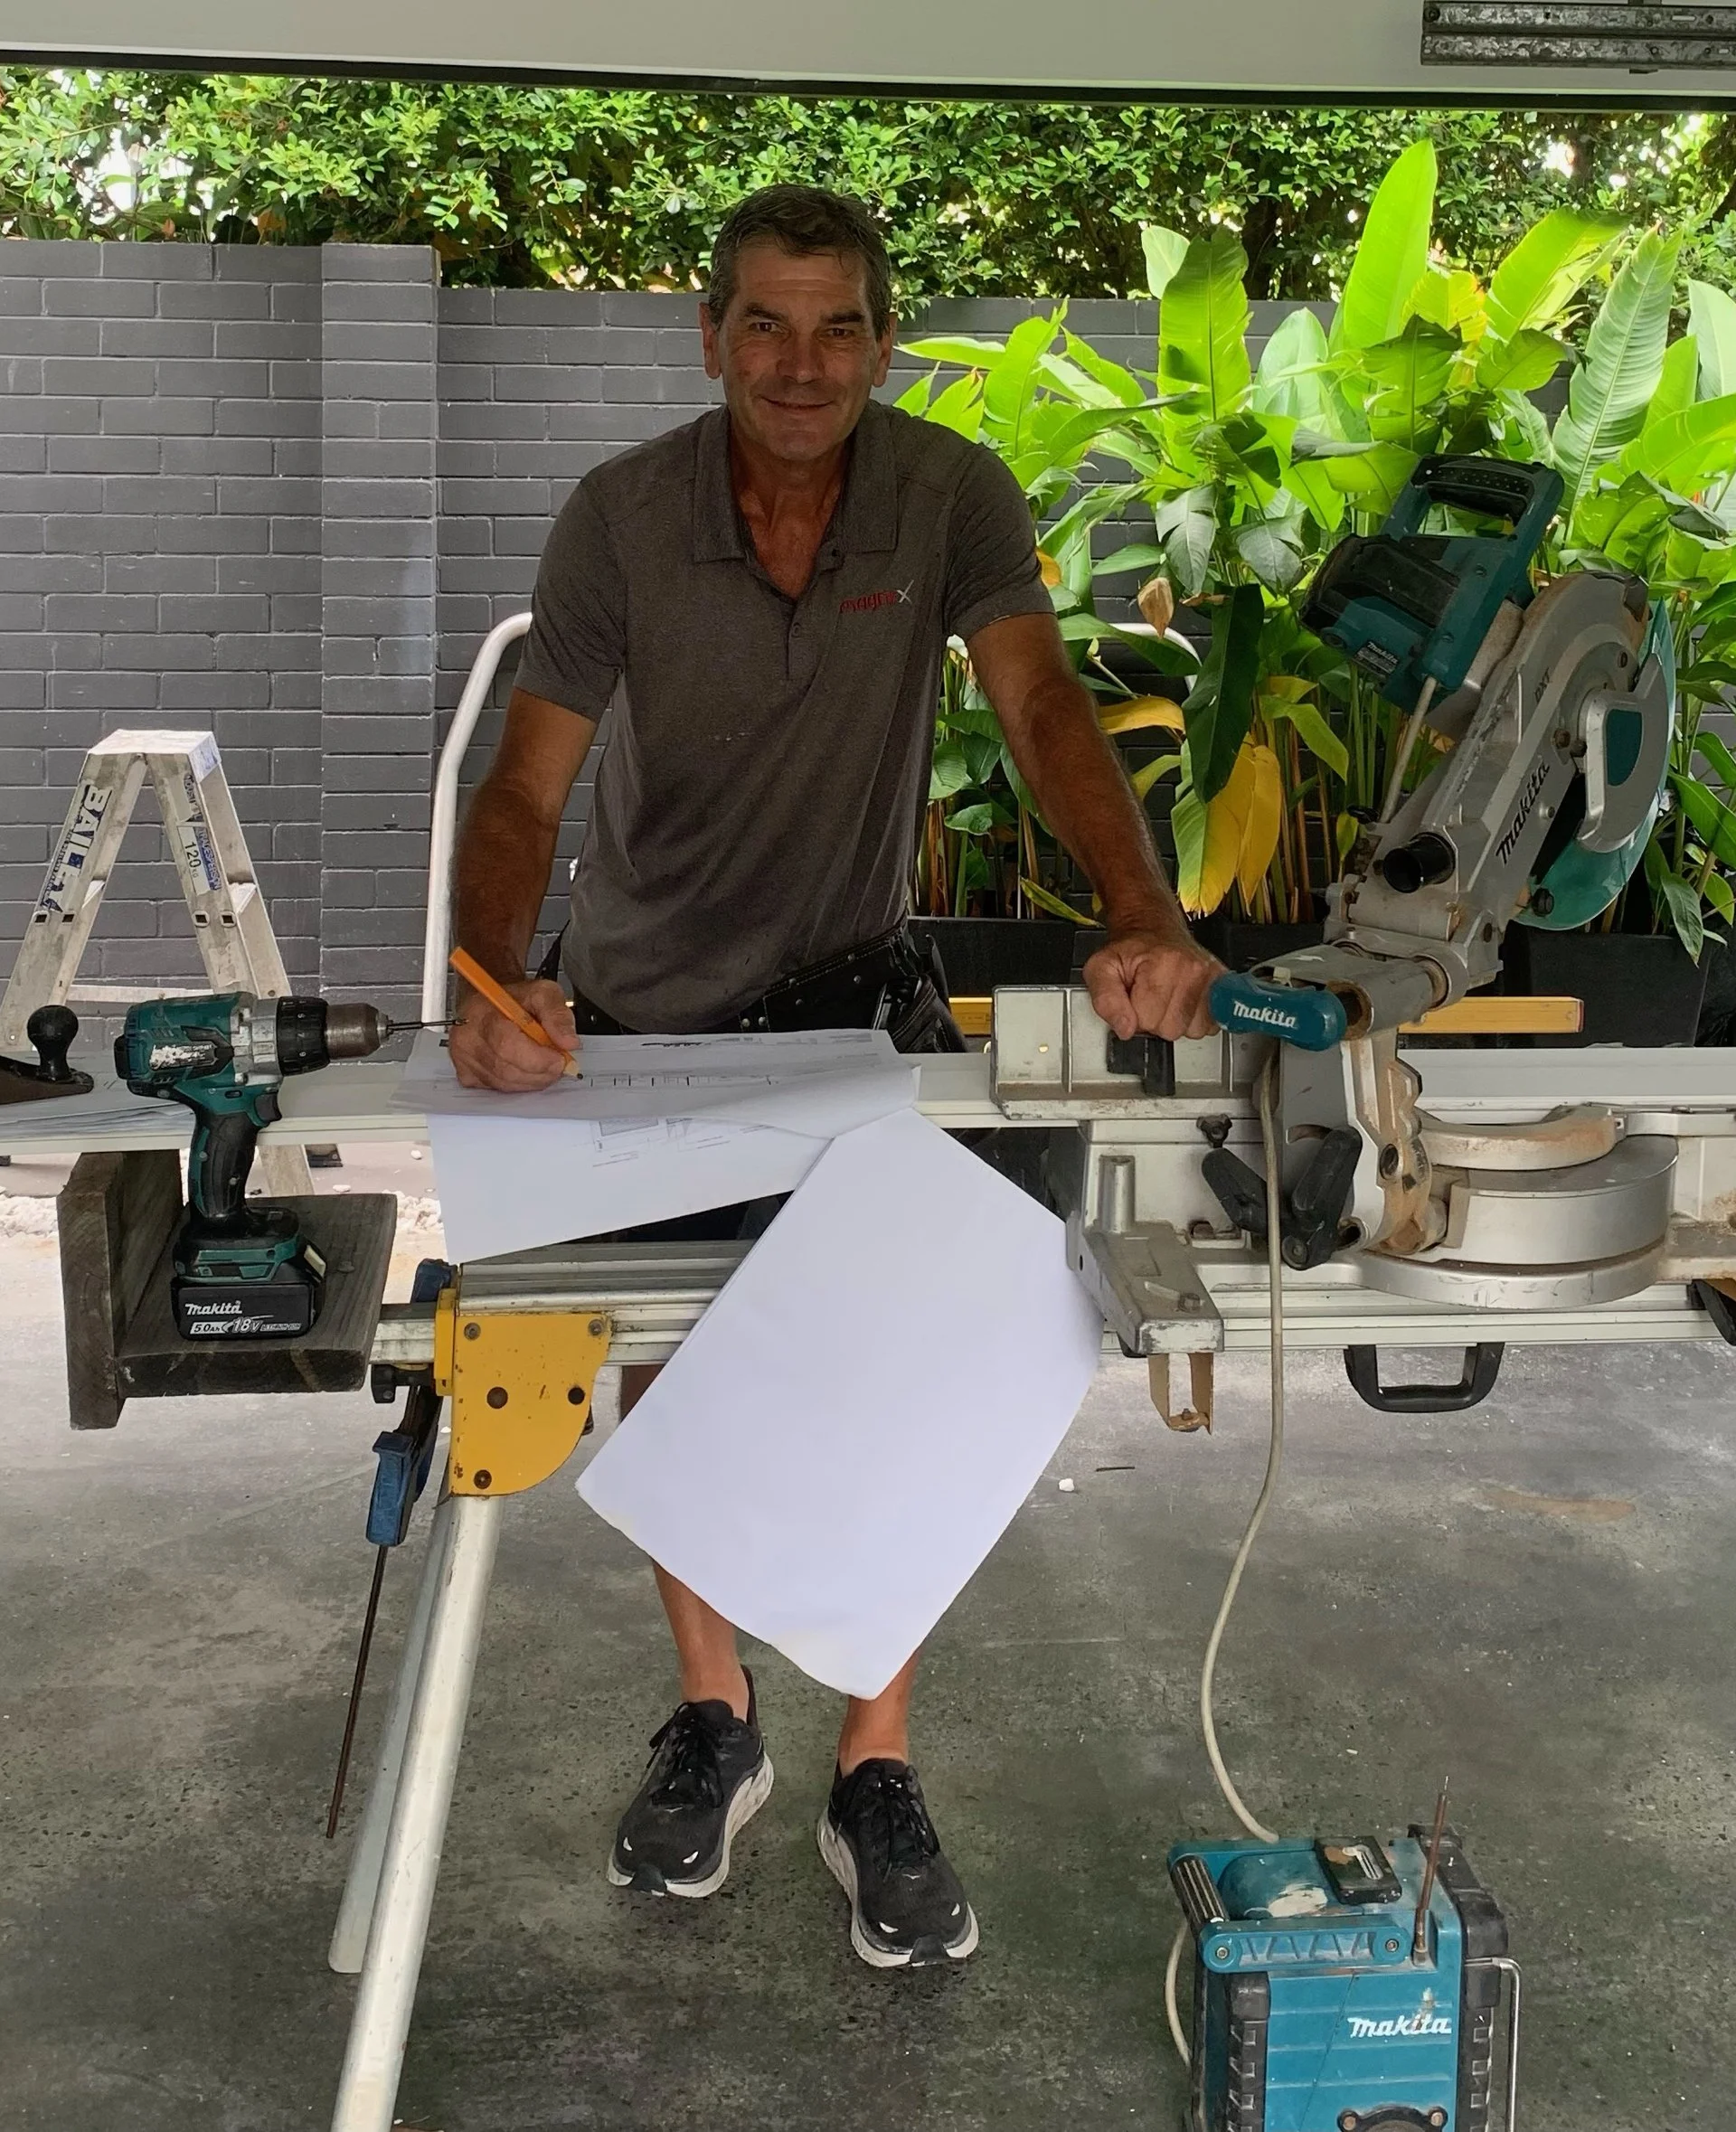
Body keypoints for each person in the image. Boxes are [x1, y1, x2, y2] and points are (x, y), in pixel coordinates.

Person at [448, 184, 1222, 1969]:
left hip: (850, 995)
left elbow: (1041, 710)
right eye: (764, 326)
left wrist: (1140, 913)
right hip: (640, 1004)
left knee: (895, 1366)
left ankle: (872, 1761)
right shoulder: (617, 518)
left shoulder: (946, 494)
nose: (800, 366)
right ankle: (713, 1717)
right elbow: (522, 788)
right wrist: (497, 982)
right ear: (708, 333)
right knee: (664, 1343)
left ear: (883, 339)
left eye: (838, 327)